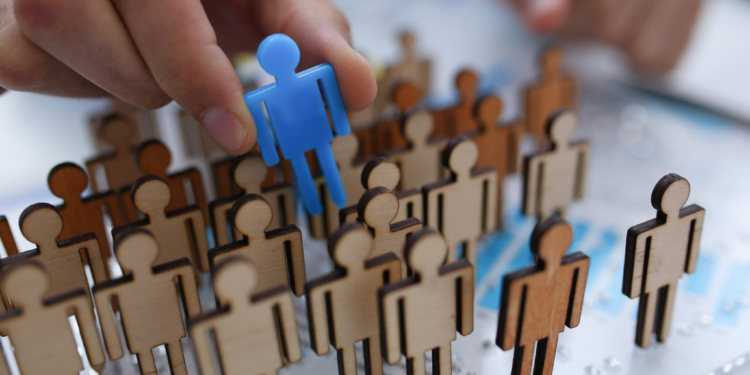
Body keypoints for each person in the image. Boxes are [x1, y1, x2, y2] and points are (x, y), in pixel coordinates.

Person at [0, 0, 702, 154]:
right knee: (318, 175)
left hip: (503, 47)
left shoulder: (292, 81)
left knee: (325, 175)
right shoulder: (290, 82)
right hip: (63, 121)